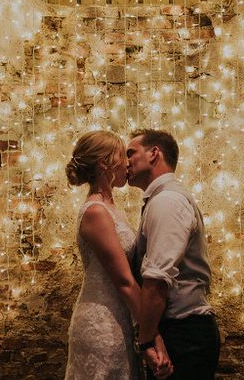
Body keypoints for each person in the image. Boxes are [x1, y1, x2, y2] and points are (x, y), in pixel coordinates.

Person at [64, 130, 172, 380]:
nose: (127, 162)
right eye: (122, 155)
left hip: (120, 318)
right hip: (101, 323)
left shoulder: (112, 208)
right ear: (104, 163)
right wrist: (152, 334)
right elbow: (124, 282)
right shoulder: (96, 212)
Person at [127, 129, 221, 380]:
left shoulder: (167, 201)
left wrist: (146, 342)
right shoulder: (162, 199)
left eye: (131, 152)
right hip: (180, 331)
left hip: (184, 334)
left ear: (154, 153)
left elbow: (157, 280)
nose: (126, 161)